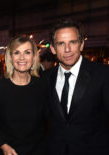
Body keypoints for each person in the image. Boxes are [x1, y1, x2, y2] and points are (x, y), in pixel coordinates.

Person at [45, 19, 109, 155]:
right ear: (53, 49)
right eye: (61, 43)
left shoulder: (103, 74)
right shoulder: (46, 78)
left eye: (72, 42)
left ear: (81, 45)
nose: (67, 49)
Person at [0, 35, 48, 155]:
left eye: (27, 52)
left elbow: (47, 124)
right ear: (10, 57)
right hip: (7, 151)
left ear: (34, 57)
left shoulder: (43, 86)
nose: (22, 57)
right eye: (16, 52)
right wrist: (3, 145)